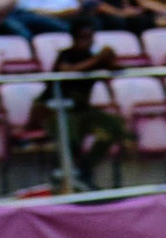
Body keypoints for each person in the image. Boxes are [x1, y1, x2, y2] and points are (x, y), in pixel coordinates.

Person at [49, 19, 128, 188]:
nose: (88, 41)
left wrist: (109, 58)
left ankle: (85, 168)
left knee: (113, 127)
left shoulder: (93, 58)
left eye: (90, 37)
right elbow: (67, 71)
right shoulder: (65, 55)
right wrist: (96, 60)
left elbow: (118, 69)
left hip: (83, 110)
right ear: (74, 38)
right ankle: (65, 181)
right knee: (72, 137)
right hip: (58, 112)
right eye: (83, 37)